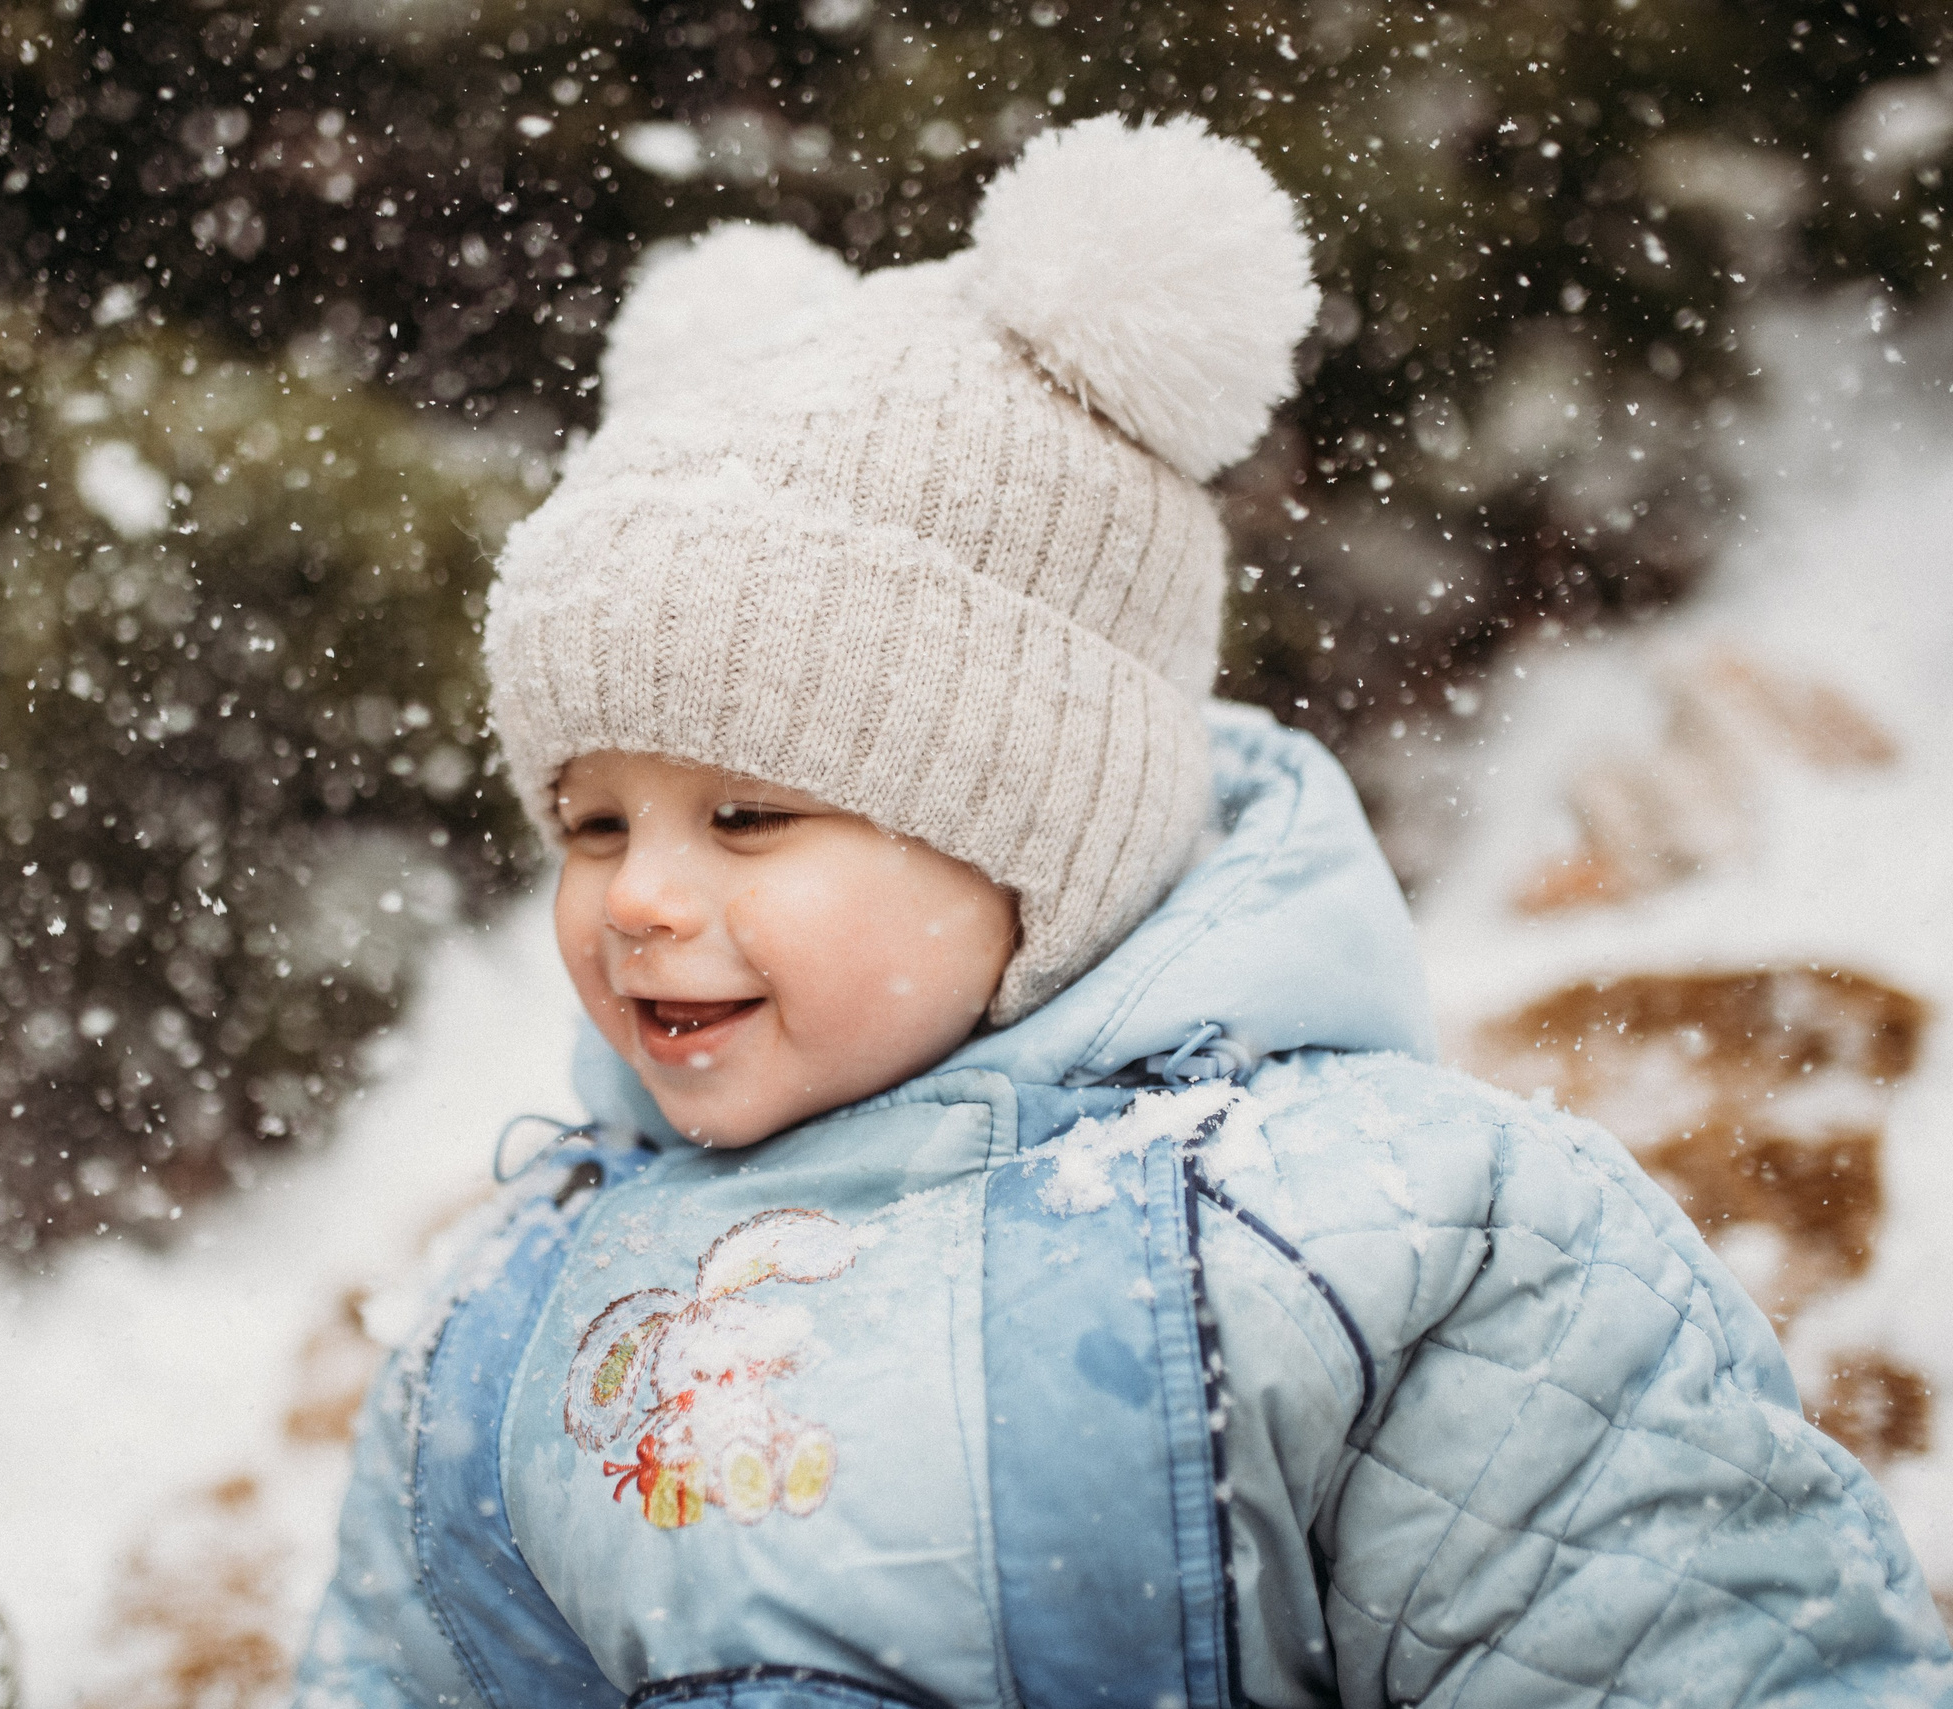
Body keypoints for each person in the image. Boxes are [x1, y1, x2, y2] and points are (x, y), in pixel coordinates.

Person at [291, 115, 1951, 1709]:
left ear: (1037, 838)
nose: (641, 896)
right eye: (591, 821)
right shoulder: (517, 1318)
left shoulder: (1386, 1239)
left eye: (747, 815)